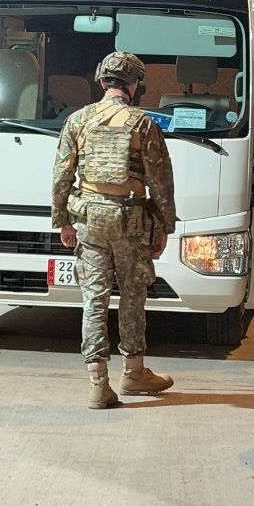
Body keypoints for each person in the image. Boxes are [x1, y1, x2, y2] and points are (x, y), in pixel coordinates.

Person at [51, 51, 177, 409]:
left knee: (94, 298)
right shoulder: (143, 124)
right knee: (133, 296)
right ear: (135, 84)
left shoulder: (77, 121)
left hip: (89, 219)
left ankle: (98, 385)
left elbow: (61, 175)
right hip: (130, 221)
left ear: (101, 81)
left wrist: (62, 220)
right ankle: (134, 373)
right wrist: (164, 226)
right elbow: (160, 182)